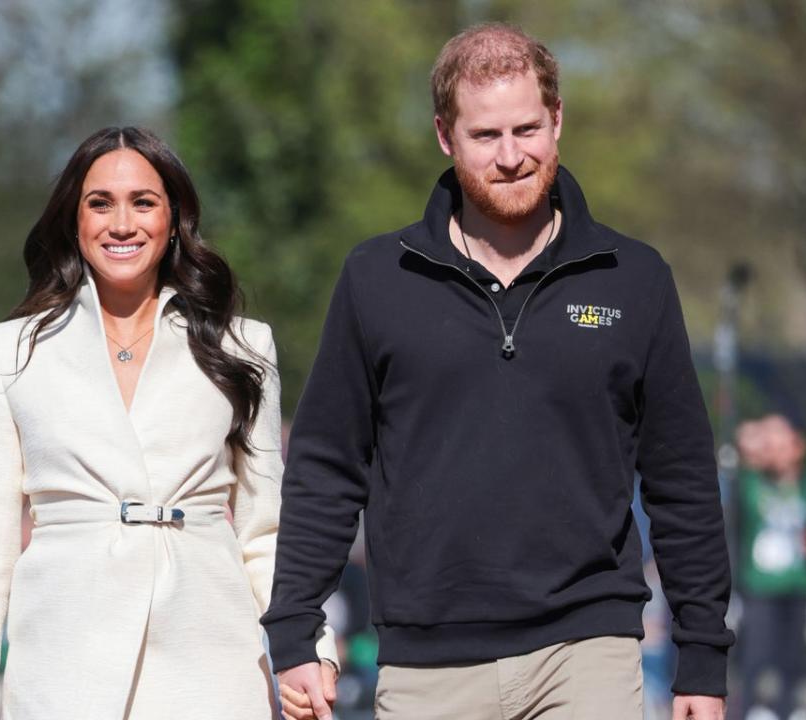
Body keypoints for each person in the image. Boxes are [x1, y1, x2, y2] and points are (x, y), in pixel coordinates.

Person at [262, 23, 733, 720]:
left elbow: (681, 478)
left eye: (527, 129)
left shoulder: (633, 279)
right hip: (427, 664)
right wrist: (294, 625)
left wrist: (702, 660)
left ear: (558, 121)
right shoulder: (376, 278)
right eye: (486, 136)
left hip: (588, 649)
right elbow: (328, 466)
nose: (512, 156)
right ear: (445, 138)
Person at [0, 126, 336, 720]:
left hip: (212, 661)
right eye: (101, 204)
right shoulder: (11, 352)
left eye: (143, 202)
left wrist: (308, 650)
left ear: (175, 220)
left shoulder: (242, 346)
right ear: (74, 220)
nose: (122, 224)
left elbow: (266, 533)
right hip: (61, 667)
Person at [736, 415, 806, 718]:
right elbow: (744, 438)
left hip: (798, 586)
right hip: (760, 587)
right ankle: (750, 709)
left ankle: (788, 710)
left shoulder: (804, 486)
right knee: (757, 658)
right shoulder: (751, 482)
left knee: (793, 660)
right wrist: (764, 438)